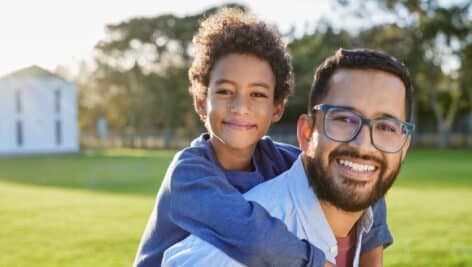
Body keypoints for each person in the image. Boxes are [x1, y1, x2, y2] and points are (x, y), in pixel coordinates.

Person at [134, 8, 392, 267]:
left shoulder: (280, 161)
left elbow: (355, 178)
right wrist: (316, 263)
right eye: (225, 91)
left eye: (257, 94)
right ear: (202, 102)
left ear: (277, 107)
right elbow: (253, 237)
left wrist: (372, 250)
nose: (240, 107)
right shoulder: (189, 175)